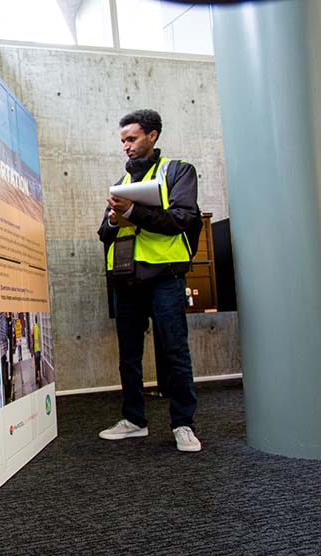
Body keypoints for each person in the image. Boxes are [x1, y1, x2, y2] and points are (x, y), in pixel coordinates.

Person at [97, 109, 203, 452]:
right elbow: (104, 234)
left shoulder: (178, 171)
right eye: (123, 140)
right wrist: (115, 218)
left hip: (165, 276)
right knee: (128, 354)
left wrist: (131, 212)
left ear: (152, 135)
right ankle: (134, 420)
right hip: (126, 278)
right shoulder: (122, 184)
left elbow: (183, 219)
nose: (126, 146)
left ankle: (183, 424)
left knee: (174, 350)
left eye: (132, 138)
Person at [32, 317, 42, 387]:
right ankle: (39, 376)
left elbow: (32, 337)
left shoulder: (34, 327)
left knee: (36, 363)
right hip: (40, 349)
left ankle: (37, 377)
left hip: (36, 349)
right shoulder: (40, 327)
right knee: (38, 363)